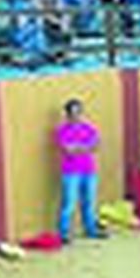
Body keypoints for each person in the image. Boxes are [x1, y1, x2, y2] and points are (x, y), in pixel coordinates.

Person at [54, 98, 104, 243]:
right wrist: (85, 147)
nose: (76, 115)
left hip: (89, 170)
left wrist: (79, 148)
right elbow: (69, 150)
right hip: (71, 172)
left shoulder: (89, 128)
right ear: (67, 115)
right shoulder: (62, 130)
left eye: (79, 112)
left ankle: (90, 229)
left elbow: (96, 146)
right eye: (73, 113)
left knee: (89, 201)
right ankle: (63, 233)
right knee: (69, 203)